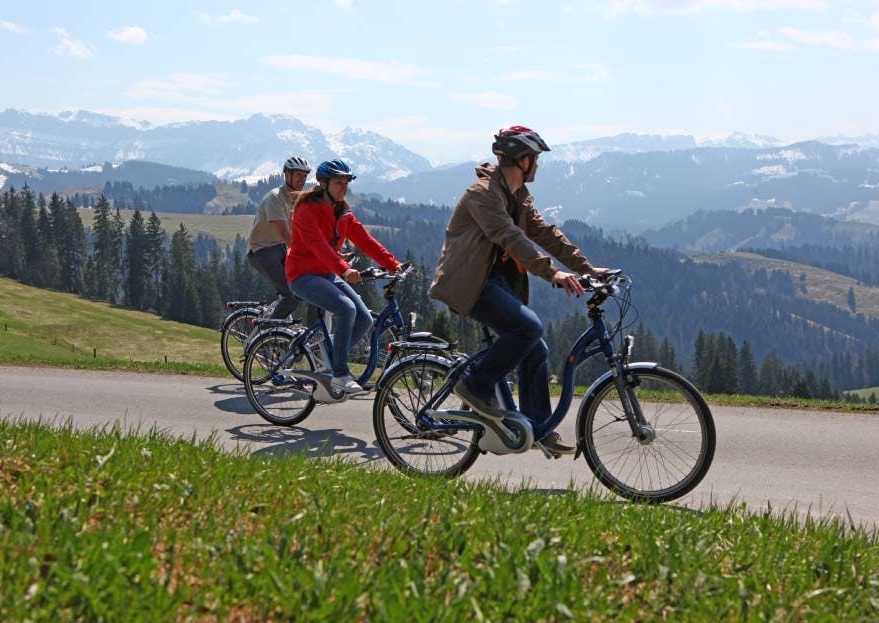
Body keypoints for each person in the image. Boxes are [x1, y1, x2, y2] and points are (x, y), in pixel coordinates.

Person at [429, 126, 609, 455]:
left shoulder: (519, 196)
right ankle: (475, 385)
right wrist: (552, 272)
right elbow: (510, 236)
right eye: (535, 158)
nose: (538, 165)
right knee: (529, 328)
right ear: (522, 160)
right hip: (468, 284)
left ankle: (538, 427)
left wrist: (586, 267)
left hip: (495, 282)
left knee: (535, 348)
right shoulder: (482, 194)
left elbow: (543, 232)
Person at [286, 159, 402, 394]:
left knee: (364, 319)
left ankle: (330, 359)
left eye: (346, 182)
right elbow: (318, 246)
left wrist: (392, 263)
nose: (344, 187)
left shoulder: (343, 212)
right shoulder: (306, 210)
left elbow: (364, 240)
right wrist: (344, 269)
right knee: (346, 309)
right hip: (303, 275)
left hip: (327, 273)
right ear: (323, 183)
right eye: (338, 182)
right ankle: (339, 374)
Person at [246, 156, 311, 320]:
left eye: (304, 176)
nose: (301, 180)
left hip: (281, 249)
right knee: (292, 296)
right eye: (298, 175)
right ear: (287, 175)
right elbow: (285, 234)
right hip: (262, 252)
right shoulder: (275, 197)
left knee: (309, 286)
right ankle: (271, 335)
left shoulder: (298, 198)